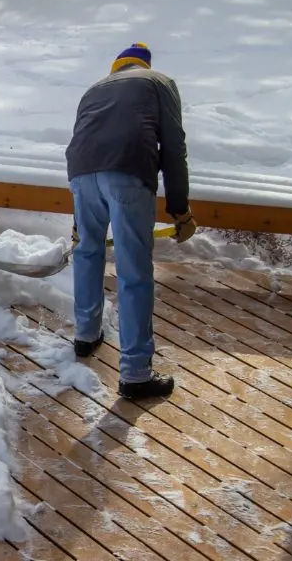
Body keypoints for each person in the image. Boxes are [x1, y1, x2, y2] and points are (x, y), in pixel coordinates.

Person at [64, 43, 197, 400]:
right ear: (144, 64)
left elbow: (82, 140)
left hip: (80, 174)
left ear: (116, 67)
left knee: (88, 253)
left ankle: (85, 335)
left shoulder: (94, 89)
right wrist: (180, 210)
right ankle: (136, 373)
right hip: (127, 173)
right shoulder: (159, 81)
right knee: (133, 270)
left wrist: (79, 217)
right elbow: (173, 147)